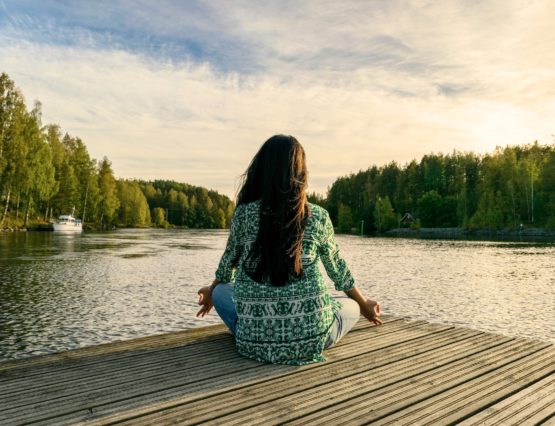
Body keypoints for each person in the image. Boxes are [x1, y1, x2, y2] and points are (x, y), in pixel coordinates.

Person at [196, 135, 382, 365]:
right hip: (312, 339)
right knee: (350, 305)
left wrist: (212, 290)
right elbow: (338, 272)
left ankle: (253, 328)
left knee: (222, 291)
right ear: (301, 174)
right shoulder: (318, 216)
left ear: (261, 170)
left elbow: (227, 267)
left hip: (253, 342)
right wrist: (365, 306)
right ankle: (329, 315)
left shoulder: (243, 214)